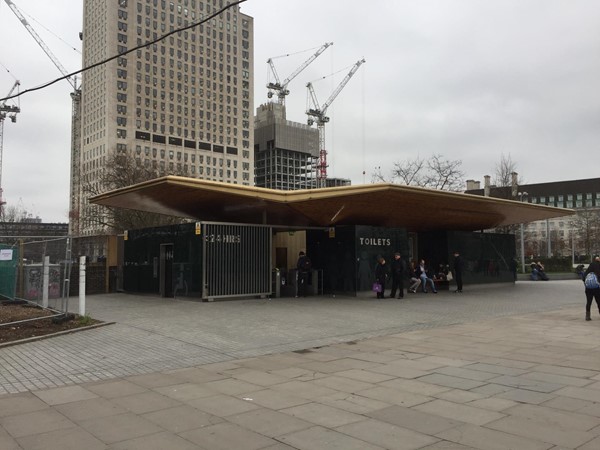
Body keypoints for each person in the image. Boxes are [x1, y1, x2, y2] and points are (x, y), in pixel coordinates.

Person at [583, 255, 600, 321]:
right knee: (599, 301)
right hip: (597, 288)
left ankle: (587, 316)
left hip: (589, 288)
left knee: (589, 302)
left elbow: (584, 277)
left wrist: (587, 284)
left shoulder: (590, 266)